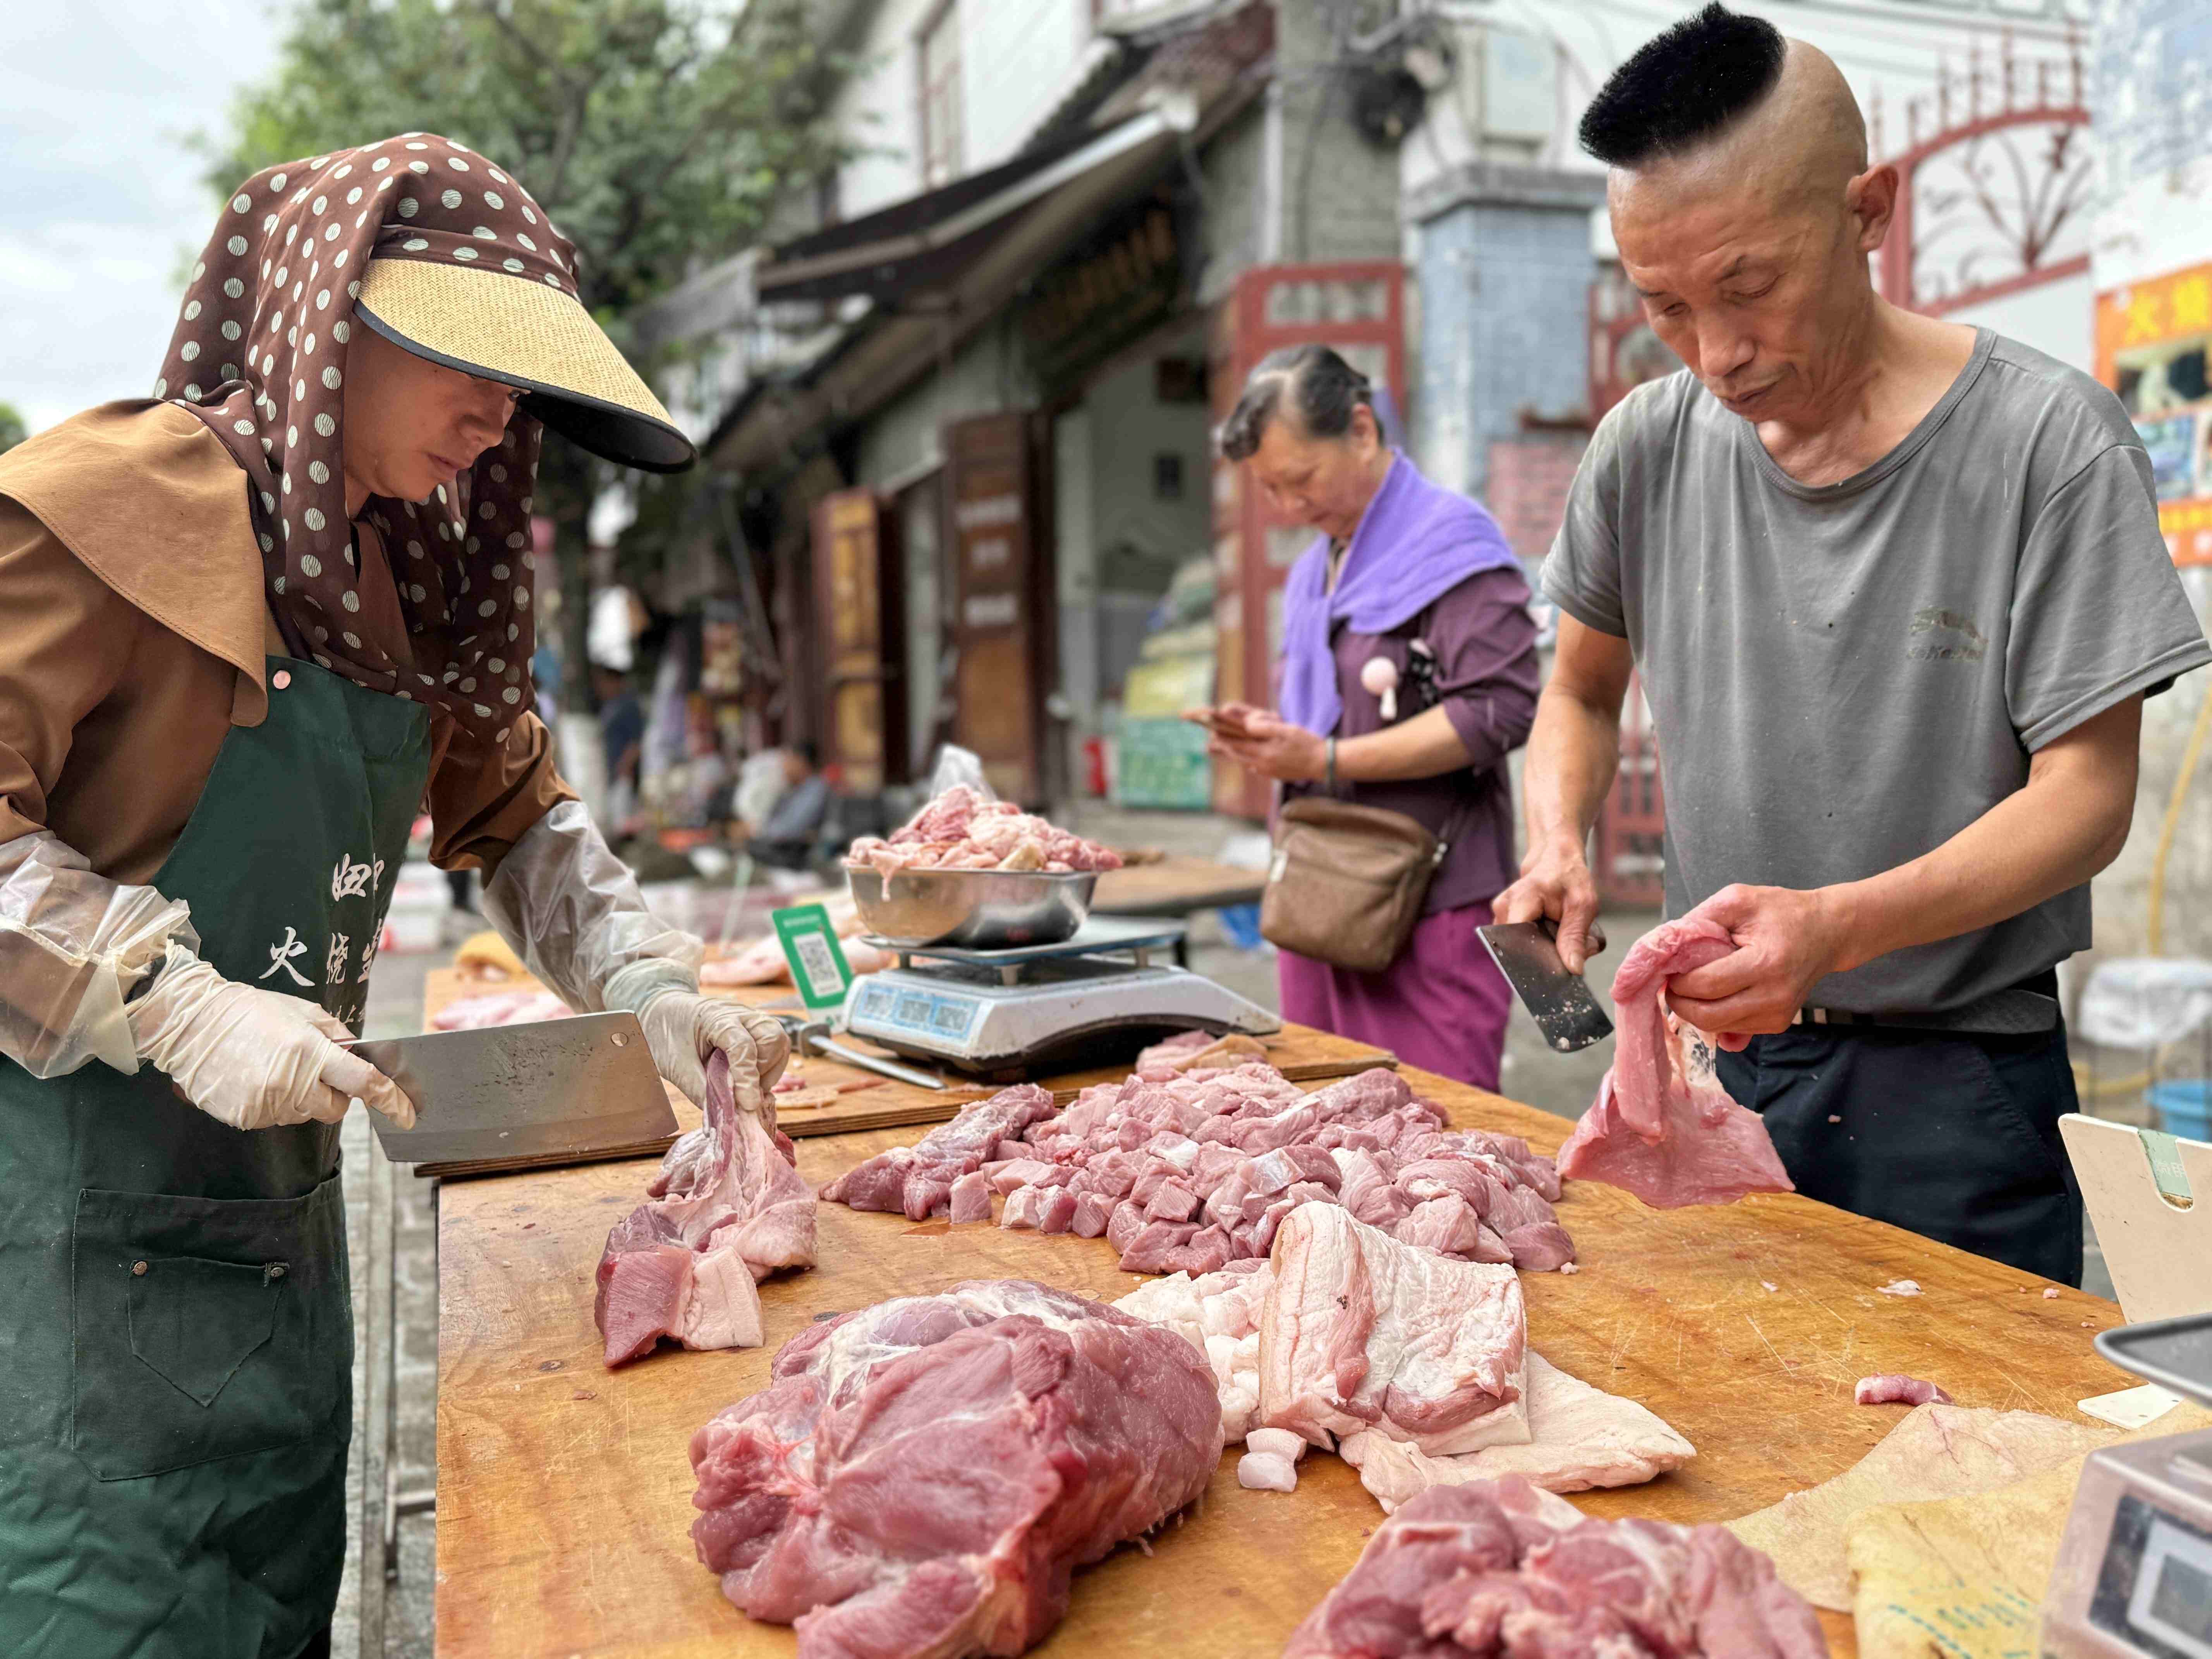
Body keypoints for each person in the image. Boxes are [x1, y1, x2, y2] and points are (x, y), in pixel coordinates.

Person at [0, 135, 791, 1659]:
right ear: (324, 320)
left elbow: (520, 821)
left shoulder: (409, 573)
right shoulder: (106, 511)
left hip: (273, 1257)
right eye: (466, 360)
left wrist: (645, 982)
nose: (501, 417)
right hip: (63, 1269)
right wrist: (162, 995)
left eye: (525, 384)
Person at [1498, 6, 2211, 1284]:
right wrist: (1555, 840)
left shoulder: (2048, 443)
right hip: (1718, 1063)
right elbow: (1580, 692)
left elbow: (2089, 799)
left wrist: (1838, 925)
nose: (1715, 354)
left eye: (1748, 287)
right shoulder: (1644, 450)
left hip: (1958, 1084)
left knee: (1971, 1461)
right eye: (1664, 307)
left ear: (1868, 209)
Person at [1200, 345, 1539, 1089]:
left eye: (1300, 481)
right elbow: (1335, 716)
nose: (1289, 508)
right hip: (1321, 899)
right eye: (1269, 490)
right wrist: (1272, 739)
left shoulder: (1453, 545)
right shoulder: (1314, 569)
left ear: (1360, 430)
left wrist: (1325, 760)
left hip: (1430, 907)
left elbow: (1500, 709)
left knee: (1444, 1146)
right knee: (1327, 1133)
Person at [745, 740, 832, 870]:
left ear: (801, 762)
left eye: (787, 761)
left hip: (793, 855)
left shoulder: (816, 790)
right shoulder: (793, 789)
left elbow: (792, 829)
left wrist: (759, 832)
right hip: (776, 848)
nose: (783, 767)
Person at [596, 663, 646, 829]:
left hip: (622, 773)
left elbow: (636, 742)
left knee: (621, 824)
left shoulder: (629, 706)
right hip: (607, 773)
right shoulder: (608, 706)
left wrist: (625, 767)